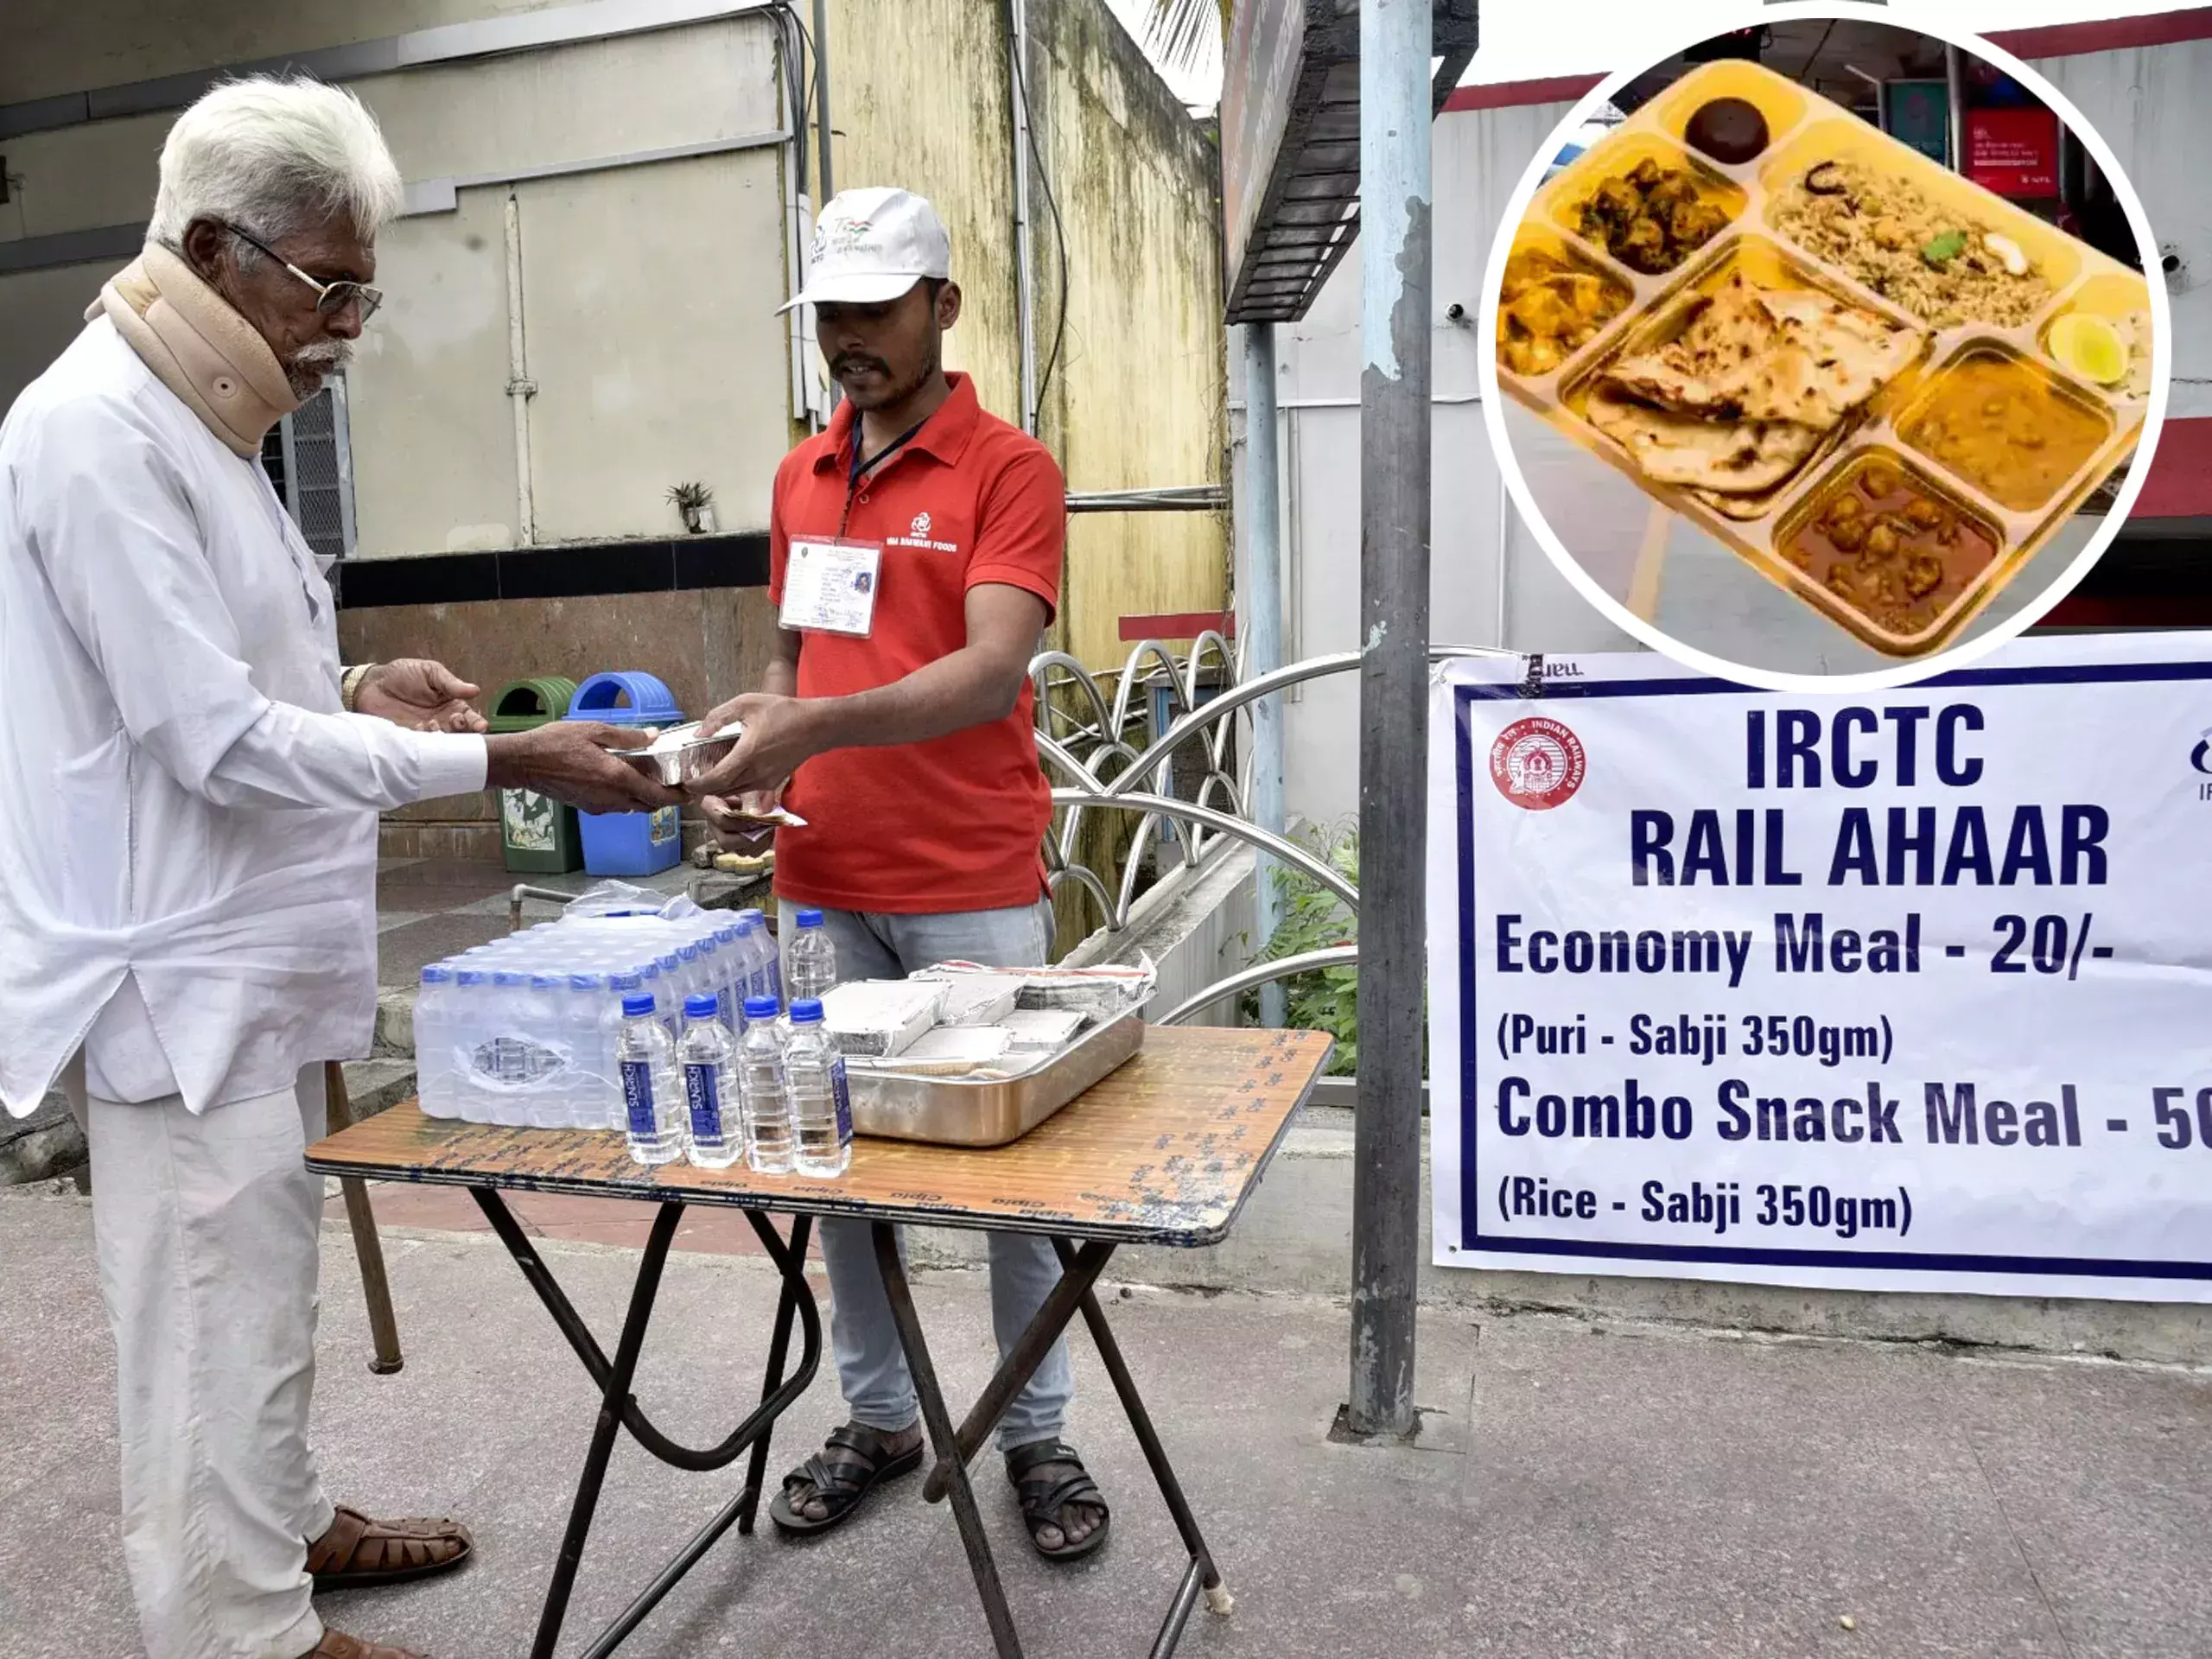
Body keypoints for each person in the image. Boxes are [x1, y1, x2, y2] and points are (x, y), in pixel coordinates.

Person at [0, 76, 677, 1659]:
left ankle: (288, 1530)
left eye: (367, 288)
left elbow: (235, 680)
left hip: (244, 962)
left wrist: (359, 692)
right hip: (172, 977)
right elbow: (209, 741)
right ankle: (240, 1634)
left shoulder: (201, 414)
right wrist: (502, 759)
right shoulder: (98, 432)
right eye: (332, 284)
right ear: (218, 248)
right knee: (202, 1332)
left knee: (266, 1293)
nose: (351, 325)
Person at [688, 185, 1109, 1561]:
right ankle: (879, 1417)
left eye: (876, 310)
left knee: (1012, 1179)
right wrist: (764, 761)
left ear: (943, 305)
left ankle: (1034, 1435)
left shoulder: (1008, 469)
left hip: (971, 881)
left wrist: (813, 727)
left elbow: (992, 670)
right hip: (820, 882)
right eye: (830, 316)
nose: (850, 339)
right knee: (837, 1170)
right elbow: (796, 665)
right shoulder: (801, 475)